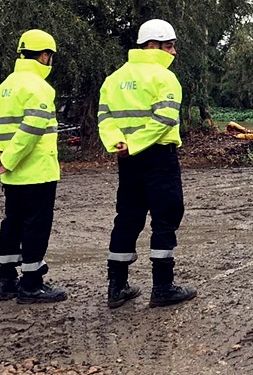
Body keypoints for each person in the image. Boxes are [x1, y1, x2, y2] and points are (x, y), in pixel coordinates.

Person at [98, 18, 195, 308]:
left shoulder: (113, 79)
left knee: (127, 218)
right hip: (157, 156)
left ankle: (116, 287)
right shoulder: (164, 78)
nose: (174, 52)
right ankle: (162, 288)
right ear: (152, 46)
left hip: (127, 159)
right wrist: (138, 144)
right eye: (169, 46)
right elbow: (165, 119)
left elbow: (104, 117)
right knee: (166, 215)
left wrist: (120, 145)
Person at [0, 29, 67, 303]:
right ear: (45, 56)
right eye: (50, 57)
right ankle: (31, 284)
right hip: (37, 172)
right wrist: (9, 160)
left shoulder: (1, 89)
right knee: (36, 226)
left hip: (12, 176)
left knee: (12, 223)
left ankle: (6, 281)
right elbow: (32, 129)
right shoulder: (40, 88)